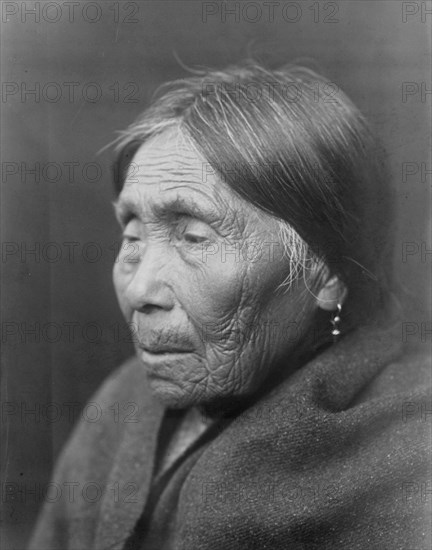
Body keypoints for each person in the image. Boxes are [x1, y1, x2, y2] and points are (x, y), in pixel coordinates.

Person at [30, 61, 431, 550]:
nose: (139, 291)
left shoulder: (412, 450)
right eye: (132, 236)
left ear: (325, 274)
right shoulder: (123, 401)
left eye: (194, 237)